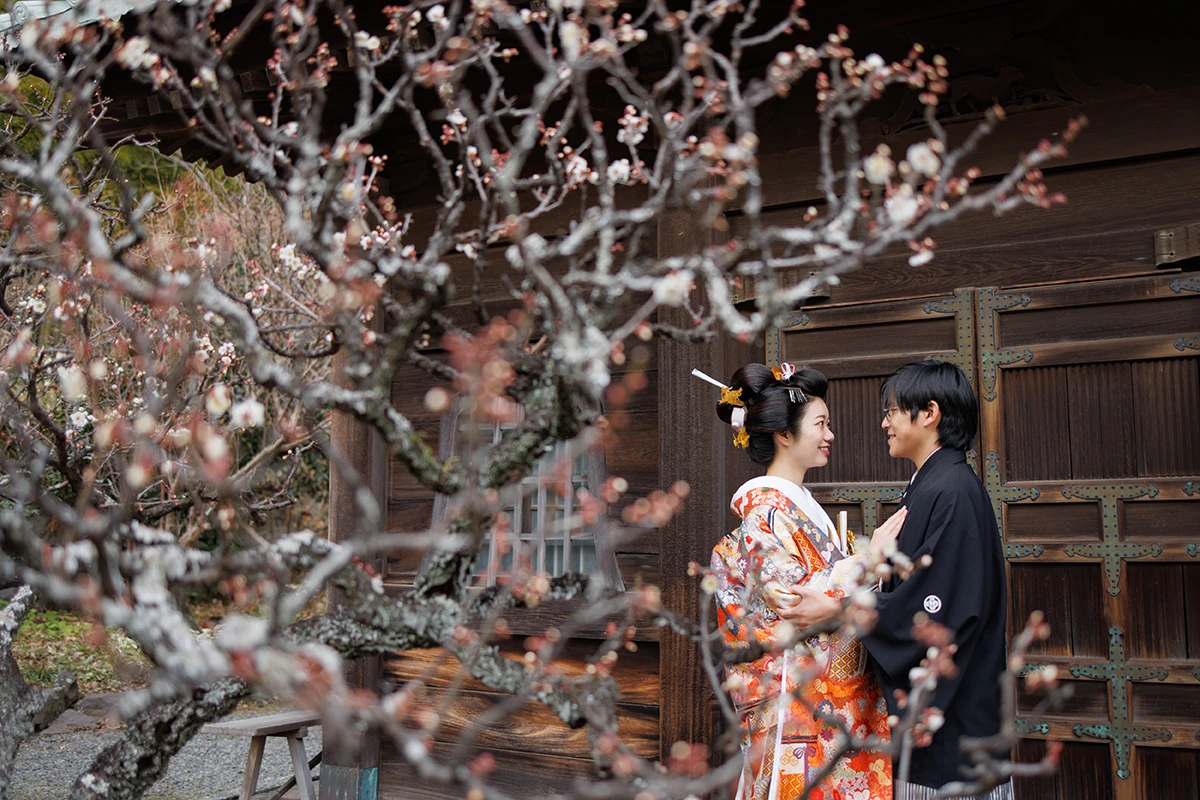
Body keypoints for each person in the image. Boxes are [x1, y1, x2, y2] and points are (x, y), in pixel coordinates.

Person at [790, 359, 1009, 799]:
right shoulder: (934, 485)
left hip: (952, 723)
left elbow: (935, 604)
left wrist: (836, 608)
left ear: (929, 414)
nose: (884, 422)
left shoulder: (951, 490)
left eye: (892, 411)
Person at [708, 362, 904, 800]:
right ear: (784, 435)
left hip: (832, 704)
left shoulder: (798, 512)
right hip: (800, 718)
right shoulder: (766, 516)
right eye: (822, 424)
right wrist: (868, 562)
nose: (830, 434)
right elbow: (796, 605)